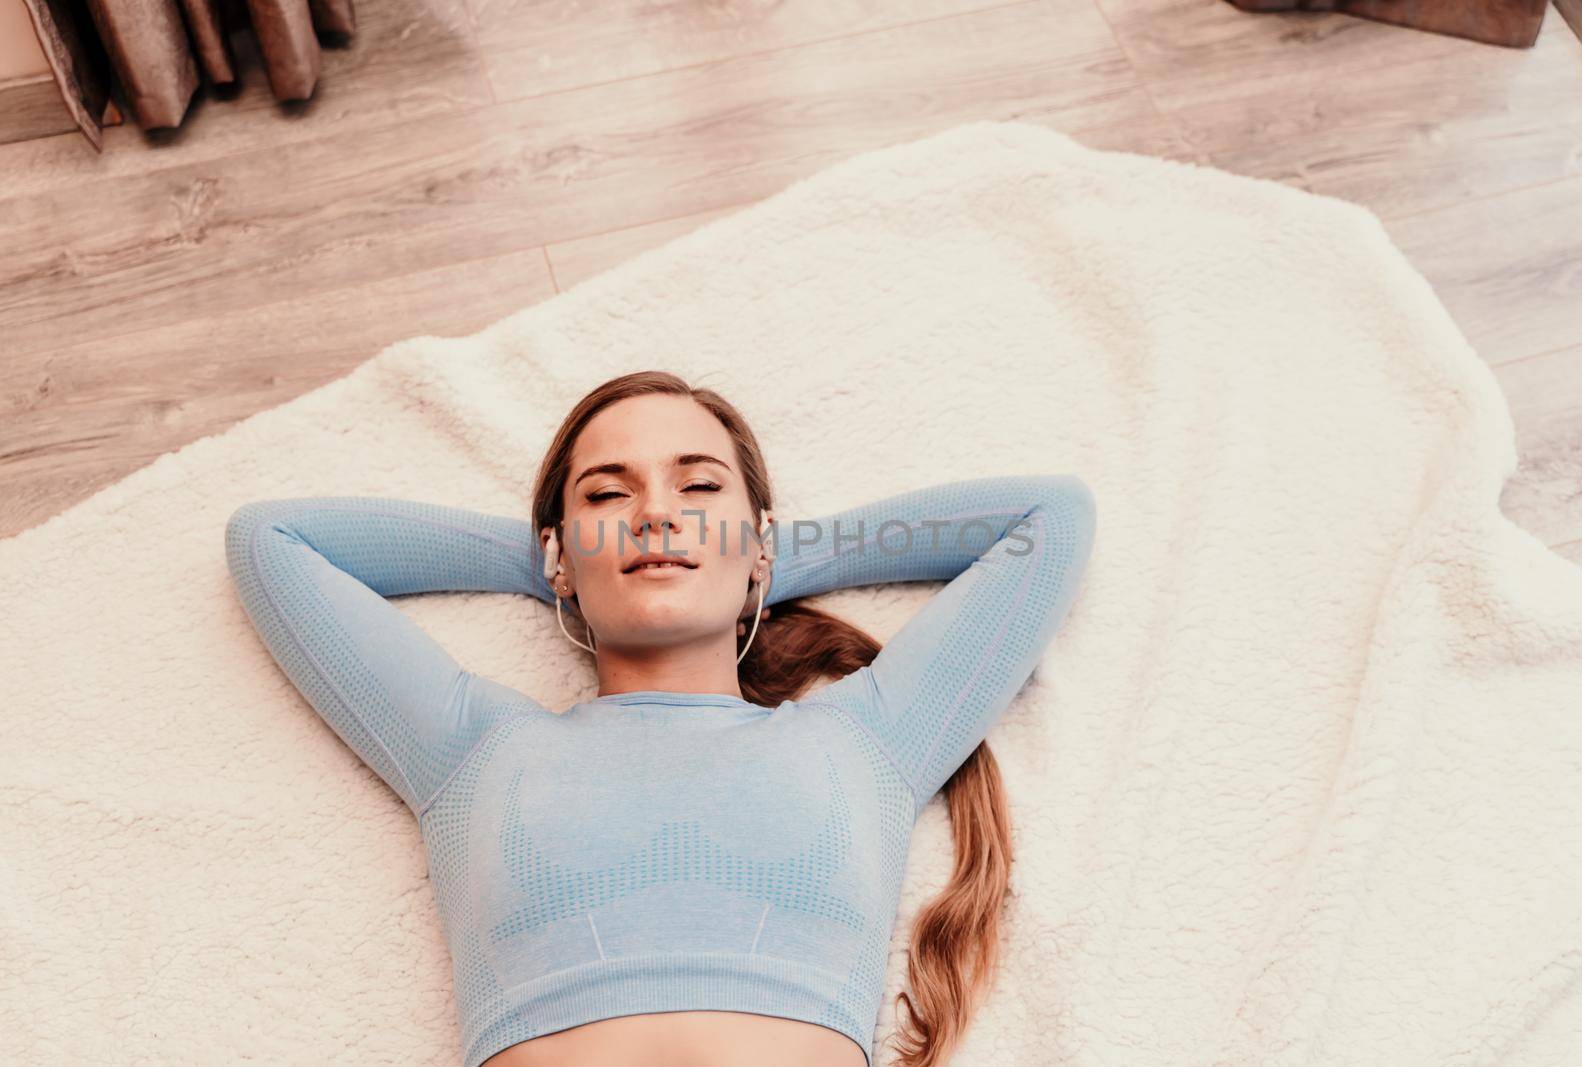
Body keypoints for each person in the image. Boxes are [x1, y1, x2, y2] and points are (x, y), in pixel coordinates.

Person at [224, 369, 1096, 1067]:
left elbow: (1049, 519)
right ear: (557, 554)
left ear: (762, 542)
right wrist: (561, 557)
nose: (654, 512)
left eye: (698, 485)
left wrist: (752, 556)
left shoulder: (863, 741)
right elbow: (271, 541)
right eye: (607, 496)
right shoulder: (477, 752)